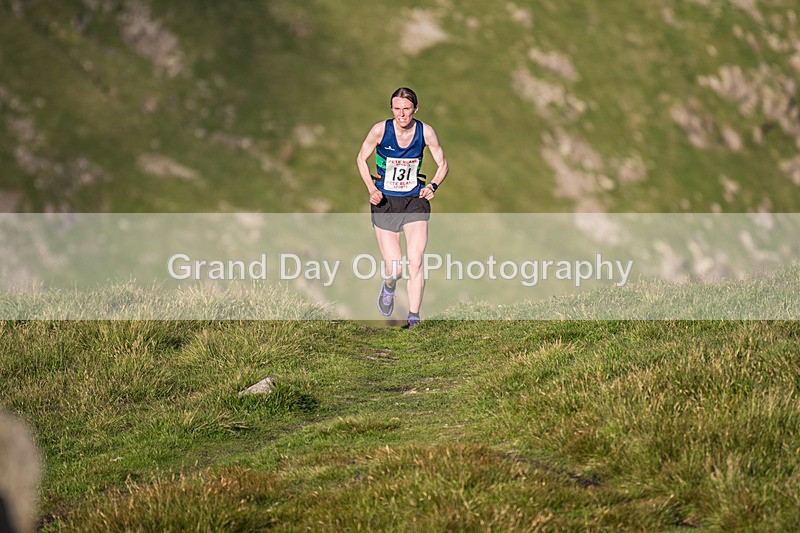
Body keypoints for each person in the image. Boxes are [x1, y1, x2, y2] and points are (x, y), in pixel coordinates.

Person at [356, 87, 449, 327]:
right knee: (395, 268)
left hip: (414, 200)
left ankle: (414, 318)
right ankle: (389, 286)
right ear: (392, 109)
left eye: (407, 109)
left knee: (415, 261)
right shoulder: (380, 130)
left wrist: (433, 186)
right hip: (385, 201)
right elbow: (361, 158)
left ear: (415, 109)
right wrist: (372, 189)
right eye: (397, 109)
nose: (402, 115)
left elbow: (443, 164)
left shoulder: (425, 132)